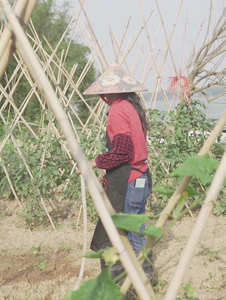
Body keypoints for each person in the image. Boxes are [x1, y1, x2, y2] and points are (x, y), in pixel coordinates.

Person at [82, 63, 153, 283]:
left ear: (111, 91)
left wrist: (94, 162)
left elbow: (122, 152)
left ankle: (134, 283)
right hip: (141, 176)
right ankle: (145, 277)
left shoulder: (118, 111)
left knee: (129, 234)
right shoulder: (131, 107)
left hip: (130, 179)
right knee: (137, 229)